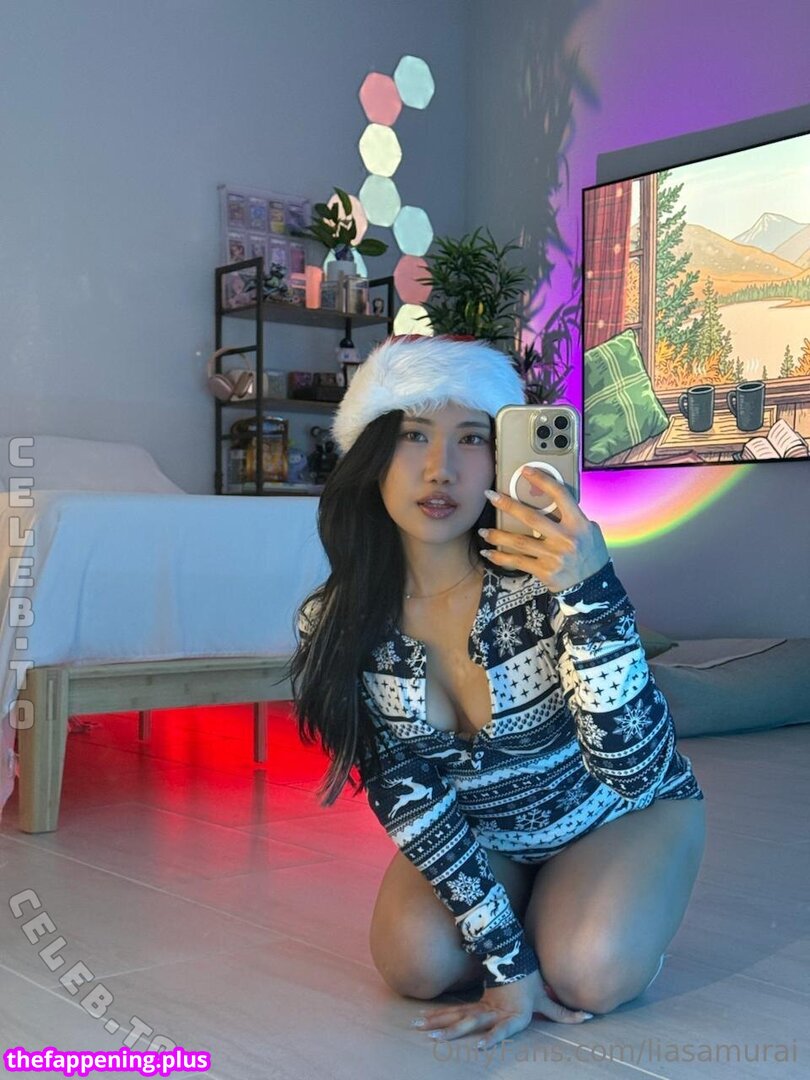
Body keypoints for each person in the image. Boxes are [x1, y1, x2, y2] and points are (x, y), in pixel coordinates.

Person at [288, 335, 706, 1052]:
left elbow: (635, 768)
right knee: (414, 964)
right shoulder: (338, 620)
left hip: (621, 813)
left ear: (503, 455)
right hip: (490, 832)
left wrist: (589, 592)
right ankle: (544, 909)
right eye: (413, 433)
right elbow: (409, 797)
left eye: (472, 437)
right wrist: (509, 967)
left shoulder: (550, 578)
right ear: (371, 453)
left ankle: (605, 916)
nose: (440, 468)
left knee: (589, 972)